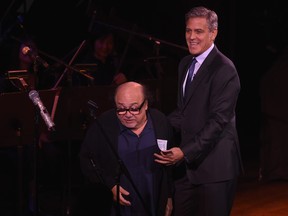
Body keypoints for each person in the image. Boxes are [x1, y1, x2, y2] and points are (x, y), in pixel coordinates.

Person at [154, 6, 243, 216]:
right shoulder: (185, 64)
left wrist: (185, 152)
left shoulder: (225, 69)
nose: (191, 37)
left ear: (213, 33)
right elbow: (182, 112)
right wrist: (152, 125)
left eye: (199, 31)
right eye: (188, 31)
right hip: (187, 169)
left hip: (216, 169)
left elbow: (218, 121)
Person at [79, 81, 174, 216]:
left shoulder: (160, 121)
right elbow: (86, 159)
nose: (128, 114)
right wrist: (109, 185)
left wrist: (168, 196)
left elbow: (168, 168)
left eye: (134, 108)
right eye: (121, 109)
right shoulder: (104, 124)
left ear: (146, 104)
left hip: (153, 199)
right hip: (119, 206)